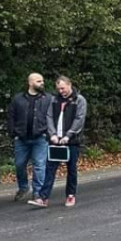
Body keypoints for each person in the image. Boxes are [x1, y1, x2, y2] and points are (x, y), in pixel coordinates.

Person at [30, 76, 87, 208]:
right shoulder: (54, 100)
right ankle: (43, 198)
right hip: (56, 140)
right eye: (59, 89)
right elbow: (49, 116)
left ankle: (70, 195)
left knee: (71, 169)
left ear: (69, 85)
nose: (61, 91)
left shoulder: (79, 100)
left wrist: (68, 135)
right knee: (50, 169)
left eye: (63, 88)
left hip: (72, 141)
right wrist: (53, 134)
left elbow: (79, 119)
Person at [7, 73, 52, 200]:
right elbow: (11, 116)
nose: (42, 83)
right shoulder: (18, 99)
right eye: (38, 81)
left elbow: (53, 116)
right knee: (20, 164)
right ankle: (23, 187)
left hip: (40, 137)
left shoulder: (48, 98)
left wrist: (48, 133)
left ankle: (38, 191)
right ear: (30, 83)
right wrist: (13, 133)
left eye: (42, 81)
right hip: (21, 138)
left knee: (39, 165)